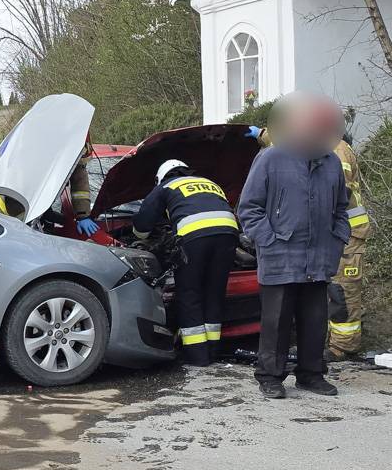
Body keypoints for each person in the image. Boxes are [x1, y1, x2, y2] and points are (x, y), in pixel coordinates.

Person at [238, 92, 349, 399]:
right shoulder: (271, 158)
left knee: (315, 322)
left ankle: (311, 375)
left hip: (318, 259)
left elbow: (342, 210)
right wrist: (270, 241)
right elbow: (249, 208)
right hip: (280, 257)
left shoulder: (331, 164)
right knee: (276, 322)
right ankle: (270, 376)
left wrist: (337, 239)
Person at [133, 159, 239, 366]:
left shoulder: (167, 185)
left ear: (161, 177)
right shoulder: (210, 183)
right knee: (214, 293)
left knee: (189, 294)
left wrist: (140, 236)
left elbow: (143, 224)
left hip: (195, 238)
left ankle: (197, 356)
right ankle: (212, 351)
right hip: (228, 235)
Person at [327, 138, 370, 360]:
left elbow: (336, 187)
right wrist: (264, 135)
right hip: (338, 233)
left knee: (343, 291)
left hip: (348, 234)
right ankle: (333, 340)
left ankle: (344, 346)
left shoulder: (336, 148)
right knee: (334, 290)